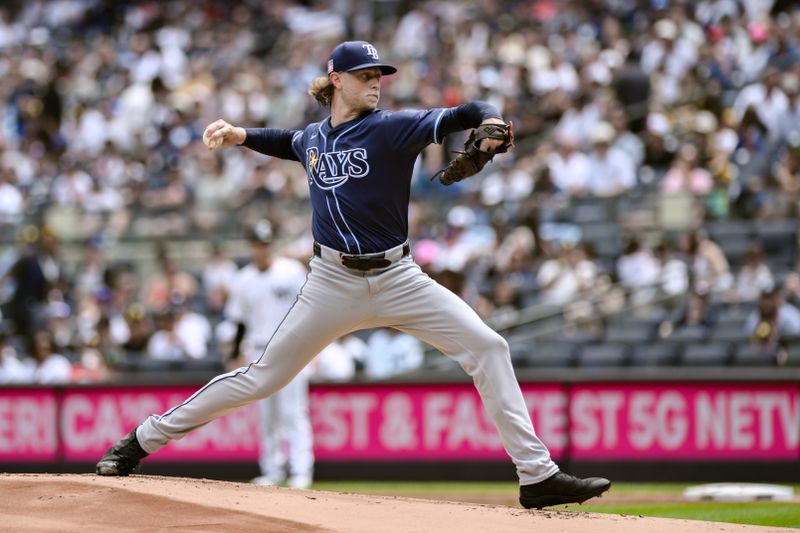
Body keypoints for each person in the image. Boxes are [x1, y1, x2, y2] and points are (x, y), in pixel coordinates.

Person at [96, 40, 610, 509]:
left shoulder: (392, 127)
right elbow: (288, 140)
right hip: (331, 283)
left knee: (489, 347)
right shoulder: (314, 138)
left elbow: (468, 112)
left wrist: (492, 122)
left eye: (378, 74)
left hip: (400, 277)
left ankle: (536, 475)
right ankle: (142, 439)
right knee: (261, 378)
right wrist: (240, 135)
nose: (375, 82)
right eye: (364, 74)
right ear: (336, 79)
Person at [225, 219, 314, 489]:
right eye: (257, 244)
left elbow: (309, 307)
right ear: (251, 246)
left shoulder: (291, 271)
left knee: (293, 412)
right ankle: (272, 470)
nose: (262, 249)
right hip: (258, 350)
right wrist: (235, 353)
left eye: (265, 243)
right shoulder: (243, 280)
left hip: (291, 347)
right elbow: (239, 322)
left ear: (271, 244)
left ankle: (301, 470)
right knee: (268, 415)